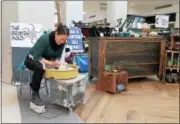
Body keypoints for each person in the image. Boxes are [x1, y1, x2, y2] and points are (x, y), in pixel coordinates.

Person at [24, 24, 69, 107]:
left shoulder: (62, 43)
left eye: (65, 40)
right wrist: (51, 63)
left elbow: (58, 55)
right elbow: (36, 57)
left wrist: (57, 61)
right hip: (31, 59)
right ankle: (35, 93)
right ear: (56, 33)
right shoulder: (44, 39)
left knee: (59, 67)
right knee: (40, 67)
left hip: (46, 61)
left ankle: (59, 92)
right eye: (61, 39)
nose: (62, 42)